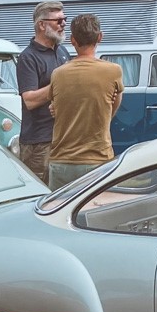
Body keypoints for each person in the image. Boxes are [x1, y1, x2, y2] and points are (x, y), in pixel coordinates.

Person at [47, 13, 124, 190]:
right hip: (97, 160)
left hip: (62, 159)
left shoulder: (58, 74)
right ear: (100, 37)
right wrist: (105, 117)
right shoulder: (113, 71)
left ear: (73, 40)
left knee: (56, 214)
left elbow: (54, 107)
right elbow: (115, 102)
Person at [16, 0, 71, 185]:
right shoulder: (28, 57)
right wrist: (60, 83)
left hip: (63, 137)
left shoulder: (62, 51)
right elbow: (30, 100)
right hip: (38, 143)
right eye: (58, 21)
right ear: (41, 25)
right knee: (38, 196)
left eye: (64, 19)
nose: (63, 24)